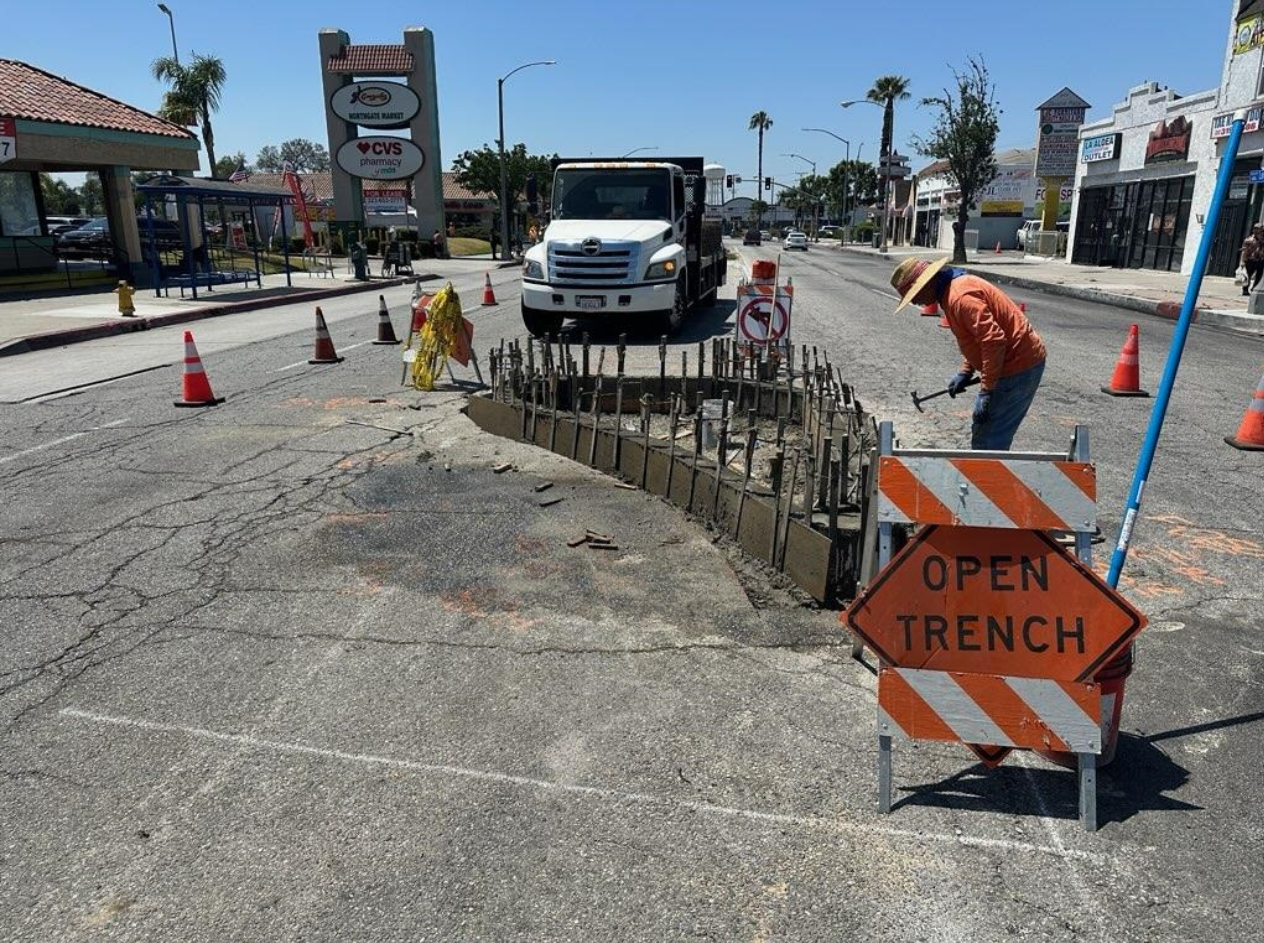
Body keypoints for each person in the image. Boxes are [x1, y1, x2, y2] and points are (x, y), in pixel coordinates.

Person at [891, 257, 1047, 450]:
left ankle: (990, 478)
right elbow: (976, 338)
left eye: (914, 295)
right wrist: (966, 371)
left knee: (988, 441)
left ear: (928, 283)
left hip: (1017, 366)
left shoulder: (960, 297)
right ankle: (989, 474)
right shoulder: (950, 293)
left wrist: (987, 390)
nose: (915, 301)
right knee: (986, 435)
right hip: (1014, 363)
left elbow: (993, 340)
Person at [1240, 223, 1264, 297]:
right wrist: (1242, 261)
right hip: (1250, 260)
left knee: (1259, 276)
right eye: (1255, 229)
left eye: (1259, 229)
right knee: (1247, 276)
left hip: (1260, 260)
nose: (1257, 231)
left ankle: (1254, 288)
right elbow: (1244, 251)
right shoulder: (1249, 240)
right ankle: (1245, 290)